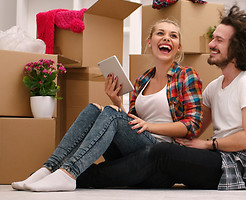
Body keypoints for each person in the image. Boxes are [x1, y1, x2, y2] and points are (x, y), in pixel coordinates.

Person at [75, 5, 246, 190]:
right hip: (219, 156)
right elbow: (191, 129)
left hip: (244, 163)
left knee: (163, 153)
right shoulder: (213, 88)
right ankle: (73, 171)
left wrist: (208, 145)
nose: (210, 44)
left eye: (219, 40)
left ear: (237, 47)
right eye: (213, 38)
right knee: (162, 152)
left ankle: (84, 177)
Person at [11, 19, 203, 192]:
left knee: (112, 114)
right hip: (136, 152)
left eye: (173, 35)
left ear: (178, 48)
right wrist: (117, 103)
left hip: (160, 157)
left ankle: (69, 173)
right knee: (94, 108)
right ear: (149, 42)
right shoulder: (142, 79)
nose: (166, 38)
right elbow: (133, 123)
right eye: (160, 33)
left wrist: (149, 126)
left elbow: (192, 126)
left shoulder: (186, 75)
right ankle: (49, 168)